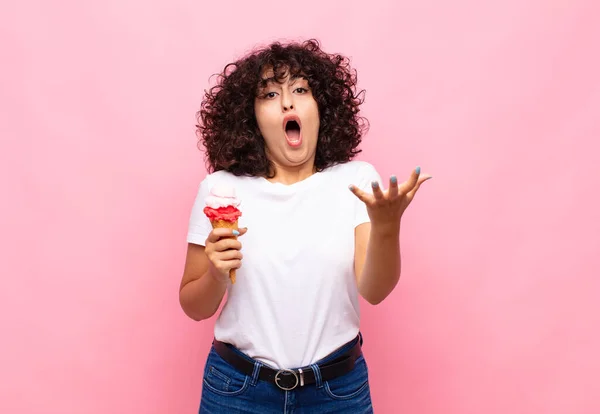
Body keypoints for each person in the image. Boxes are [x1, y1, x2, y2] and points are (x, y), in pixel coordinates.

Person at [179, 39, 431, 413]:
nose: (287, 102)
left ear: (321, 108)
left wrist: (386, 226)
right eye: (269, 94)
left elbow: (374, 291)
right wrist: (216, 275)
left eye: (300, 89)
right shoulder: (221, 189)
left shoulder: (357, 180)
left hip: (336, 392)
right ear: (251, 117)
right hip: (237, 392)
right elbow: (194, 306)